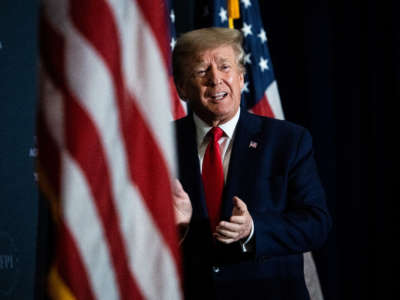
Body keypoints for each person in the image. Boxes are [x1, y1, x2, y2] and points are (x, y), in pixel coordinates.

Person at [172, 27, 331, 300]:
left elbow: (316, 224)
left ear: (241, 76)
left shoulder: (288, 141)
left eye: (225, 67)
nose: (216, 80)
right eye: (201, 71)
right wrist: (174, 230)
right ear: (182, 88)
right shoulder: (163, 144)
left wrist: (253, 230)